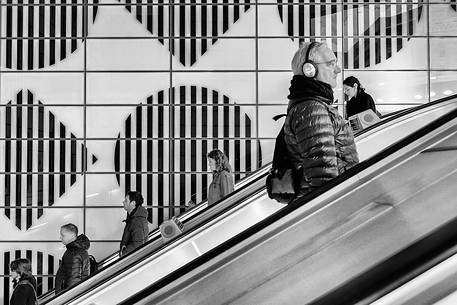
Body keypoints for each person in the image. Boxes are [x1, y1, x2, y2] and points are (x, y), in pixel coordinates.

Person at [284, 41, 359, 196]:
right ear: (309, 69)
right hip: (338, 203)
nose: (338, 70)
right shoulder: (312, 109)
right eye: (331, 64)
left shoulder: (312, 105)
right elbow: (324, 180)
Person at [55, 223, 90, 294]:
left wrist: (66, 298)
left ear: (72, 236)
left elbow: (73, 280)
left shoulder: (73, 253)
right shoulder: (77, 250)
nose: (60, 238)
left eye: (63, 235)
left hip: (68, 296)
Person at [120, 191, 149, 257]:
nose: (123, 202)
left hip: (131, 259)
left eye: (126, 201)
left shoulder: (137, 221)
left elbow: (138, 246)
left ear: (133, 203)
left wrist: (124, 252)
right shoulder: (132, 217)